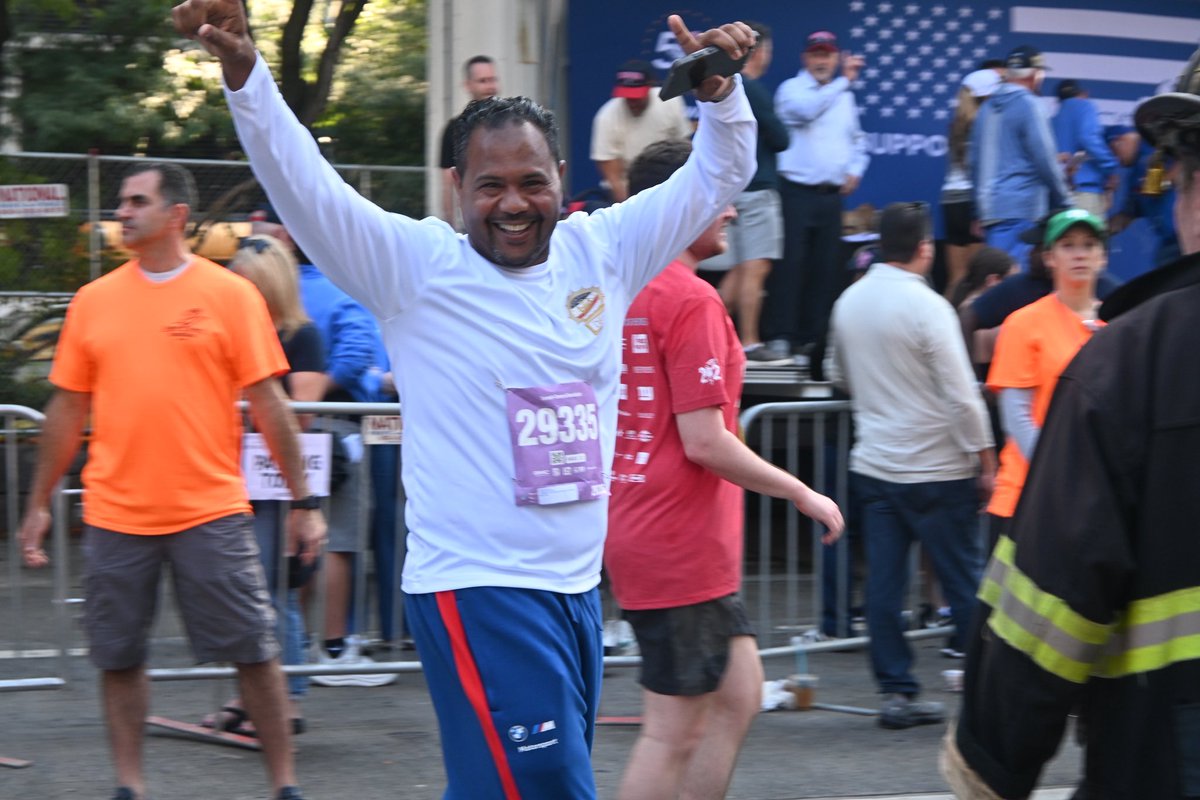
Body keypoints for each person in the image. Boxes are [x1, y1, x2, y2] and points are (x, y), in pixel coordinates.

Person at [171, 3, 757, 797]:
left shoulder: (605, 249)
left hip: (576, 588)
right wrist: (246, 75)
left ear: (560, 180)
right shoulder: (415, 267)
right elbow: (304, 185)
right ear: (456, 187)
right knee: (546, 784)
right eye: (491, 186)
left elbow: (719, 174)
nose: (513, 204)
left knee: (507, 785)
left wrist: (721, 95)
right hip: (478, 588)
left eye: (532, 182)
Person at [17, 162, 325, 800]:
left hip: (211, 512)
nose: (122, 213)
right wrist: (37, 504)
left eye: (137, 202)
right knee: (119, 657)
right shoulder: (94, 301)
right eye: (122, 202)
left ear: (176, 215)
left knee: (254, 651)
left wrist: (304, 501)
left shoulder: (230, 295)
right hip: (115, 515)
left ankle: (285, 787)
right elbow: (66, 410)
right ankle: (130, 787)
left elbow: (269, 404)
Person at [941, 46, 1200, 799]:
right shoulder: (1048, 328)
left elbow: (1045, 613)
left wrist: (992, 764)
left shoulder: (1135, 359)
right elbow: (1014, 402)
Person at [606, 139, 844, 800]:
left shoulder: (625, 285)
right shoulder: (690, 299)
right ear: (681, 202)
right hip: (676, 540)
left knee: (738, 692)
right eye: (720, 196)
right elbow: (705, 442)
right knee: (670, 732)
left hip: (647, 530)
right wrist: (800, 490)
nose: (734, 213)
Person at [828, 202, 995, 729]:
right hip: (939, 467)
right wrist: (985, 458)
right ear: (925, 248)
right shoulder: (929, 308)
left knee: (883, 584)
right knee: (965, 582)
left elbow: (838, 373)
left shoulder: (849, 302)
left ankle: (896, 693)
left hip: (876, 464)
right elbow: (962, 395)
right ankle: (989, 691)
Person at [249, 203, 395, 686]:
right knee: (339, 539)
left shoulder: (261, 298)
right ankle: (333, 648)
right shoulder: (341, 289)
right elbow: (356, 354)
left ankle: (301, 646)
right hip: (333, 427)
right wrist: (340, 384)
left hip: (270, 437)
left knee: (290, 542)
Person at [208, 233, 328, 735]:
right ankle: (249, 695)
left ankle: (290, 700)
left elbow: (300, 416)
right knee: (243, 589)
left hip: (282, 480)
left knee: (275, 589)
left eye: (250, 286)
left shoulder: (302, 337)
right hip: (236, 475)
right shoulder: (236, 335)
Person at [982, 208, 1107, 553]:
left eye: (1088, 245)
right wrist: (1068, 476)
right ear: (1049, 257)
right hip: (1025, 501)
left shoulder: (1118, 328)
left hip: (1093, 507)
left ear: (1102, 256)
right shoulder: (1024, 324)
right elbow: (1017, 417)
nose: (1080, 253)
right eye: (1068, 245)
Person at [760, 30, 869, 365]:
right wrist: (844, 82)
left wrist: (855, 168)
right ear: (806, 59)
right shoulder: (792, 90)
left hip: (830, 196)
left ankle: (813, 341)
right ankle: (781, 336)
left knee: (826, 271)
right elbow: (806, 111)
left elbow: (858, 140)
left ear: (835, 58)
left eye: (827, 55)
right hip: (795, 192)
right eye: (816, 55)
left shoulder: (844, 97)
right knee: (790, 266)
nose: (822, 61)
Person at [708, 20, 792, 364]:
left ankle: (709, 330)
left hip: (733, 189)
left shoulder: (728, 85)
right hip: (756, 190)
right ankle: (749, 342)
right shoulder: (751, 88)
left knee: (741, 270)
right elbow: (781, 139)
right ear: (762, 51)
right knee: (755, 268)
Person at [970, 45, 1069, 268]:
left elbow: (974, 163)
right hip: (1023, 211)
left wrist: (978, 210)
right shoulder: (1030, 105)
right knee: (1016, 288)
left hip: (992, 214)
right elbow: (1045, 160)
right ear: (1035, 74)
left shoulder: (986, 108)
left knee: (998, 283)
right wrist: (1064, 200)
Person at [589, 59, 691, 203]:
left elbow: (685, 153)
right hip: (629, 193)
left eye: (636, 96)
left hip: (671, 186)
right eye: (626, 96)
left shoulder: (671, 102)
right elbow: (614, 179)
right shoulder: (606, 117)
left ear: (650, 86)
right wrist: (634, 211)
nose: (632, 102)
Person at [940, 69, 1001, 300]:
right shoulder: (984, 126)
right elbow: (980, 172)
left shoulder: (956, 125)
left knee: (956, 278)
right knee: (975, 280)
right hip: (972, 204)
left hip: (950, 203)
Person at [439, 55, 500, 228]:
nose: (490, 86)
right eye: (483, 81)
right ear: (468, 85)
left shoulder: (514, 127)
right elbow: (447, 185)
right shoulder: (454, 130)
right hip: (475, 226)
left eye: (493, 79)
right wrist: (450, 230)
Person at [1051, 79, 1119, 218]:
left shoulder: (1052, 119)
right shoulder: (1085, 106)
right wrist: (1110, 165)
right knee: (1091, 238)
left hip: (1058, 195)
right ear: (1083, 94)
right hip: (1085, 192)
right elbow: (1088, 138)